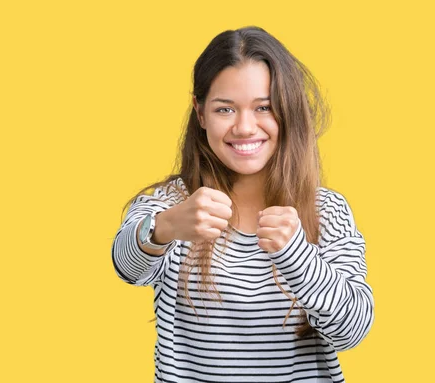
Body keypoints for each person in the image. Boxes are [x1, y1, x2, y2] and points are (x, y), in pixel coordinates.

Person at [111, 26, 374, 382]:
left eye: (264, 107)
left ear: (287, 110)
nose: (245, 127)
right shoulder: (172, 203)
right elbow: (127, 267)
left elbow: (352, 330)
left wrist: (296, 254)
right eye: (225, 109)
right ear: (200, 113)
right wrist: (166, 227)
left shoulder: (326, 211)